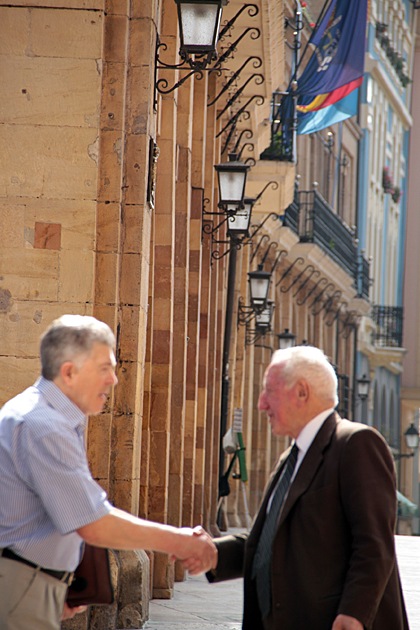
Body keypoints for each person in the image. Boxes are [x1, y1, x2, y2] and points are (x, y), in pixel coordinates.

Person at [0, 314, 217, 630]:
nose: (114, 380)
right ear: (70, 371)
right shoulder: (43, 426)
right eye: (105, 369)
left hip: (29, 584)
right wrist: (181, 541)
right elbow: (94, 523)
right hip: (20, 586)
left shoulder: (44, 417)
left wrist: (56, 583)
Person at [205, 345, 408, 630]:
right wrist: (213, 554)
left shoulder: (356, 443)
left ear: (302, 392)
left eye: (269, 392)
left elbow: (374, 543)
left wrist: (354, 613)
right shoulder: (292, 456)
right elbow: (271, 539)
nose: (261, 404)